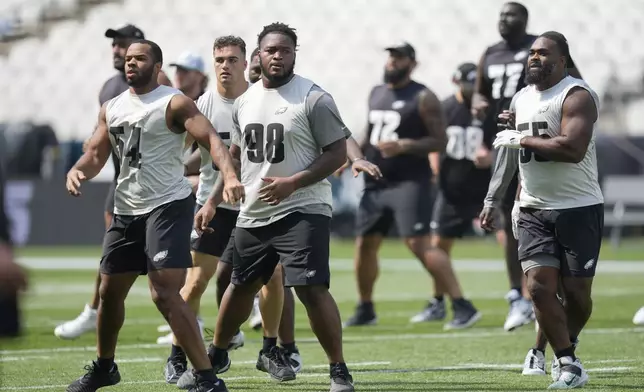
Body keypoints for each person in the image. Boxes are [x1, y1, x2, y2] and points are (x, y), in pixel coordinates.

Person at [64, 39, 243, 392]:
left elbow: (213, 141)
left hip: (167, 206)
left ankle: (207, 377)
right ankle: (104, 367)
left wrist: (232, 176)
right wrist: (78, 169)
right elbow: (97, 153)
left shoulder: (174, 102)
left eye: (140, 58)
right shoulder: (111, 106)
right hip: (126, 208)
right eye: (128, 58)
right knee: (109, 290)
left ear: (157, 65)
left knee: (164, 292)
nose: (131, 63)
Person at [191, 22, 355, 392]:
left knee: (310, 289)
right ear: (258, 56)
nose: (277, 56)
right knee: (239, 285)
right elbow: (234, 157)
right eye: (270, 50)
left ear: (295, 54)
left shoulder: (314, 97)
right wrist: (214, 200)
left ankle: (339, 371)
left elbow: (338, 153)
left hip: (303, 207)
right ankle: (216, 356)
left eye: (285, 50)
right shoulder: (245, 101)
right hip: (253, 210)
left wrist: (293, 183)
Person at [487, 31, 602, 389]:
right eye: (531, 53)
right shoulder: (521, 97)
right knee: (537, 288)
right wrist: (493, 198)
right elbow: (509, 152)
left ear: (563, 60)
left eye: (543, 53)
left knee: (578, 297)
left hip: (578, 207)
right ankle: (568, 363)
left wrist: (521, 137)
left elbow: (572, 149)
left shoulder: (577, 95)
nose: (534, 58)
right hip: (533, 207)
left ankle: (562, 343)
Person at [344, 42, 480, 330]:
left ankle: (461, 304)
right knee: (365, 245)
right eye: (390, 57)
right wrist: (351, 160)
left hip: (409, 182)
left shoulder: (423, 96)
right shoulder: (376, 92)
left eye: (399, 58)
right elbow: (369, 136)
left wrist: (405, 145)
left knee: (418, 244)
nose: (392, 62)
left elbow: (440, 141)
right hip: (376, 182)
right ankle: (365, 307)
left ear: (412, 63)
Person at [54, 24, 172, 340]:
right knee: (112, 254)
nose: (118, 52)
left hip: (160, 189)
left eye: (124, 45)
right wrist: (89, 150)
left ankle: (180, 319)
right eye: (115, 46)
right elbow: (103, 134)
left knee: (159, 269)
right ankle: (94, 312)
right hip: (123, 183)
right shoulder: (109, 88)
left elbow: (177, 129)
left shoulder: (160, 83)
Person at [474, 2, 584, 334]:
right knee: (511, 218)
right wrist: (478, 107)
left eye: (512, 15)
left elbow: (575, 87)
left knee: (534, 210)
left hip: (540, 140)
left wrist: (536, 118)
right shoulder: (489, 54)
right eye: (501, 15)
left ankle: (542, 293)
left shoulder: (545, 47)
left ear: (525, 20)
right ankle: (519, 296)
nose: (505, 20)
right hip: (506, 141)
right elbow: (479, 96)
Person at [411, 63, 493, 323]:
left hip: (486, 188)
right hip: (452, 187)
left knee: (509, 239)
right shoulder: (445, 108)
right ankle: (437, 301)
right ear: (456, 82)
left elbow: (504, 139)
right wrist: (435, 165)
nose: (470, 90)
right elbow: (434, 142)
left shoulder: (488, 108)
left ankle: (523, 298)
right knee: (439, 246)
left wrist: (490, 156)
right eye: (466, 84)